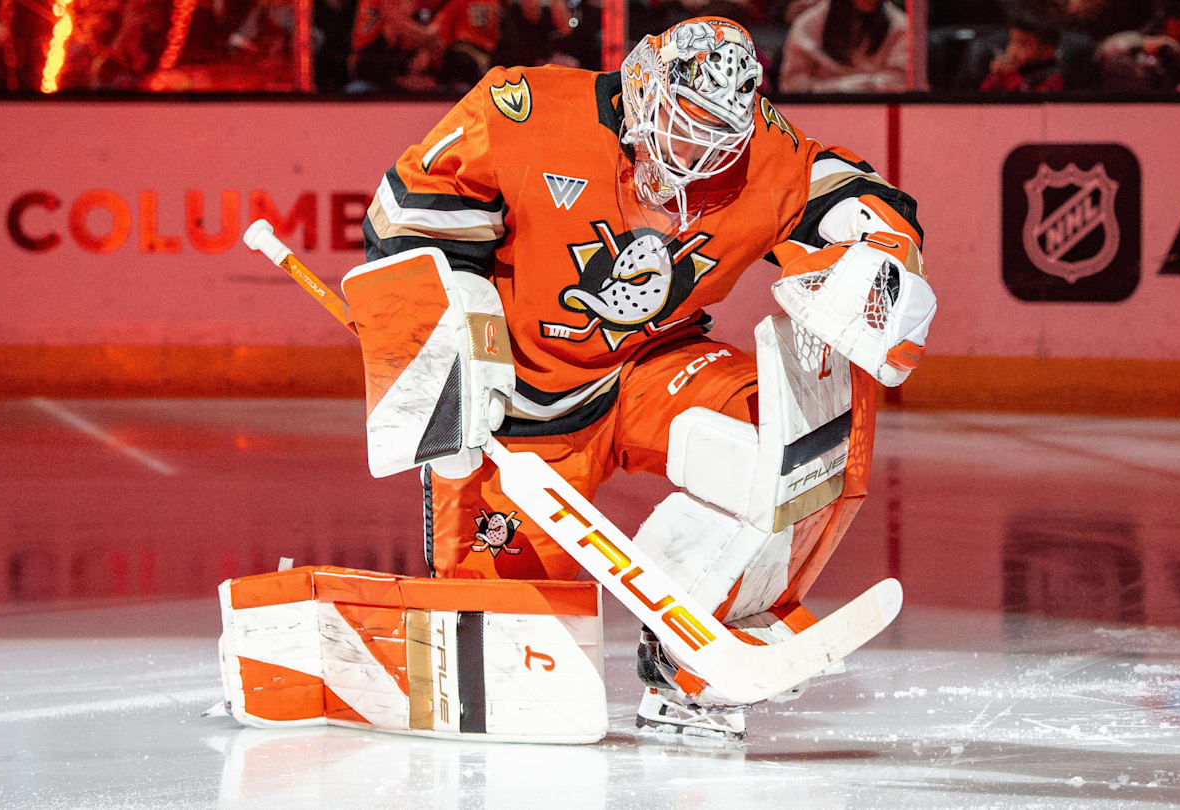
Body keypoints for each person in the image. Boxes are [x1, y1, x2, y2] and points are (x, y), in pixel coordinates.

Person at [359, 16, 934, 739]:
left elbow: (851, 195)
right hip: (520, 401)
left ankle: (691, 657)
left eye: (717, 134)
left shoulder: (763, 154)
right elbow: (406, 217)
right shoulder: (527, 111)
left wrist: (882, 249)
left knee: (790, 445)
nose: (696, 154)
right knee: (497, 658)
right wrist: (448, 345)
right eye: (684, 122)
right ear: (642, 85)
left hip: (654, 367)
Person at [779, 0, 908, 93]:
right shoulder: (808, 25)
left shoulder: (900, 26)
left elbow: (899, 82)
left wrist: (856, 87)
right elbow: (792, 85)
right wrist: (842, 88)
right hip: (820, 112)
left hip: (876, 112)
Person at [980, 5, 1066, 92]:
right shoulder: (1014, 70)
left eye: (1022, 44)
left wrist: (1010, 75)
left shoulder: (1053, 78)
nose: (1013, 50)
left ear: (1047, 51)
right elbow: (984, 93)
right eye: (1011, 42)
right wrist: (996, 76)